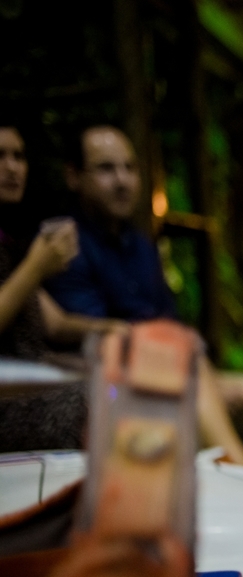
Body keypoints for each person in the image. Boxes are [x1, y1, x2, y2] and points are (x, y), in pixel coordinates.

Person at [43, 124, 243, 478]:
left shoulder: (141, 247)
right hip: (118, 380)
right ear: (74, 177)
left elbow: (171, 324)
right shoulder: (64, 245)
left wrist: (211, 381)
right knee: (187, 389)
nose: (122, 180)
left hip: (177, 367)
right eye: (106, 169)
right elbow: (99, 338)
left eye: (129, 168)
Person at [0, 123, 123, 452]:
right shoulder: (26, 257)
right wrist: (36, 265)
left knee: (126, 377)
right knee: (107, 396)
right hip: (9, 402)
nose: (11, 167)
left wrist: (122, 330)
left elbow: (57, 323)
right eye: (0, 156)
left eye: (18, 156)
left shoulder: (8, 243)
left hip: (32, 383)